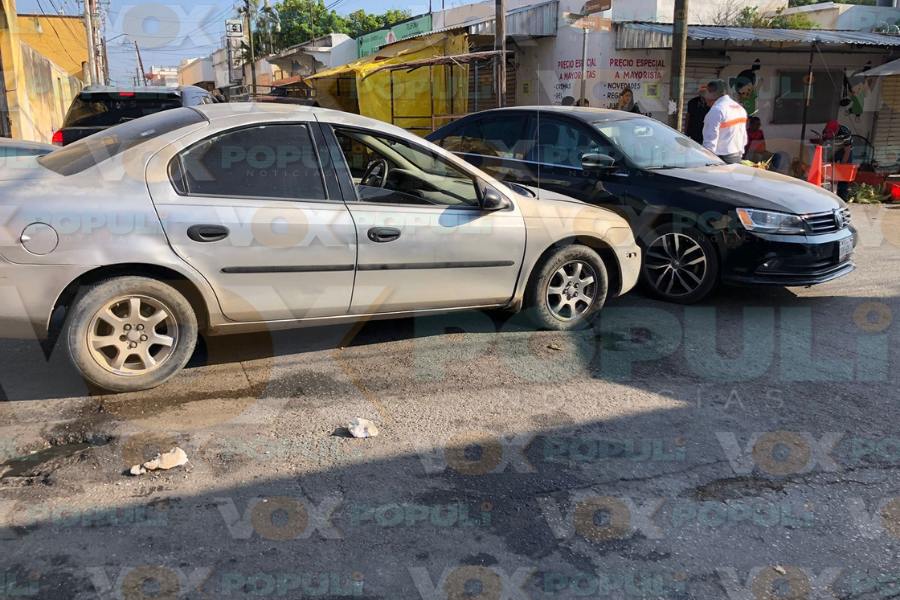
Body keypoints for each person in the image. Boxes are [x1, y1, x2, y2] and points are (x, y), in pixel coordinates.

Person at [702, 79, 748, 164]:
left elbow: (710, 141)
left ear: (712, 93)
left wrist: (707, 161)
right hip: (737, 155)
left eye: (706, 93)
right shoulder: (740, 108)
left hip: (721, 158)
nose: (704, 97)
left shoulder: (717, 110)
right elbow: (744, 137)